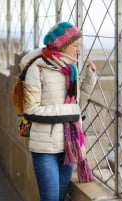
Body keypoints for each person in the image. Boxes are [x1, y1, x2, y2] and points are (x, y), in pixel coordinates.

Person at [20, 22, 96, 201]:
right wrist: (68, 111)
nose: (79, 50)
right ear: (62, 44)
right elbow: (30, 110)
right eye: (76, 45)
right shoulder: (36, 69)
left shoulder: (71, 70)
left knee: (60, 198)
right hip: (45, 148)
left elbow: (77, 106)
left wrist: (89, 80)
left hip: (68, 148)